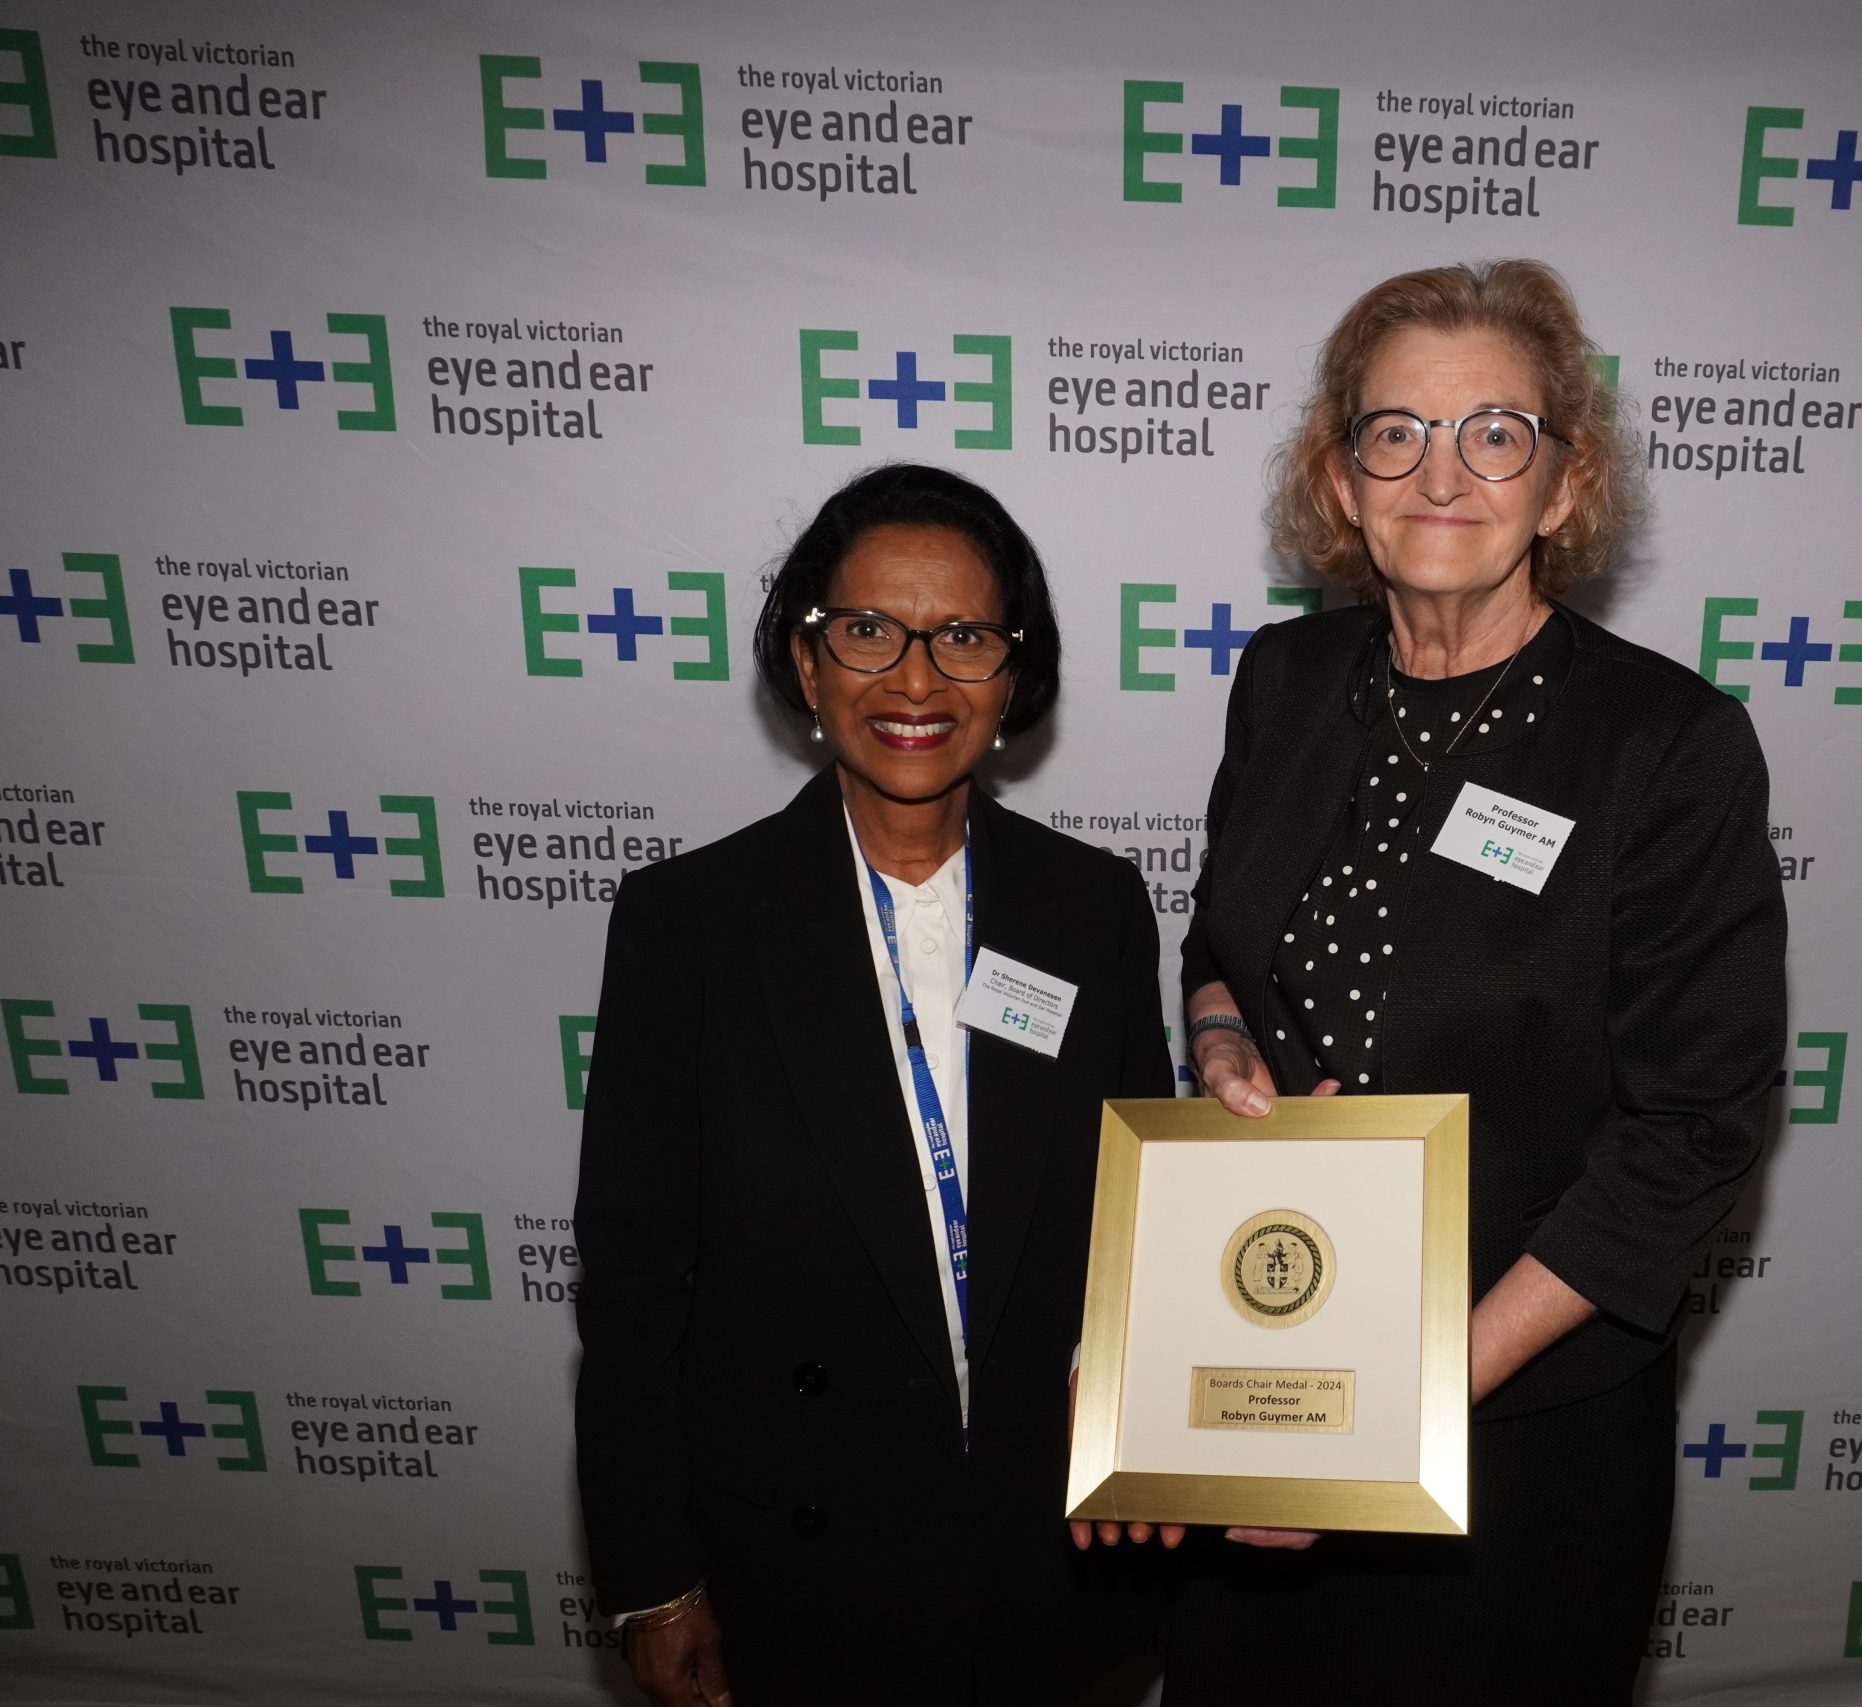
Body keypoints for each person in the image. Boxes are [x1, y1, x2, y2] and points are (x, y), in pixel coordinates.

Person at [1169, 262, 1787, 1701]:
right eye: (1396, 432)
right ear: (1341, 477)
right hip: (1273, 1365)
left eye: (1495, 432)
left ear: (1564, 487)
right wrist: (1216, 1039)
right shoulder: (1283, 681)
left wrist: (1400, 1400)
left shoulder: (1668, 746)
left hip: (1518, 1431)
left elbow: (1694, 1124)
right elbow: (1218, 941)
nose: (1442, 471)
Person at [573, 463, 1178, 1705]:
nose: (914, 679)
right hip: (798, 1564)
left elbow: (1143, 1231)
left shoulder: (1091, 909)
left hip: (1050, 1552)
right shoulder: (689, 925)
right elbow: (632, 1283)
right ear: (807, 666)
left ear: (1014, 675)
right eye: (867, 632)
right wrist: (655, 1576)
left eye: (962, 637)